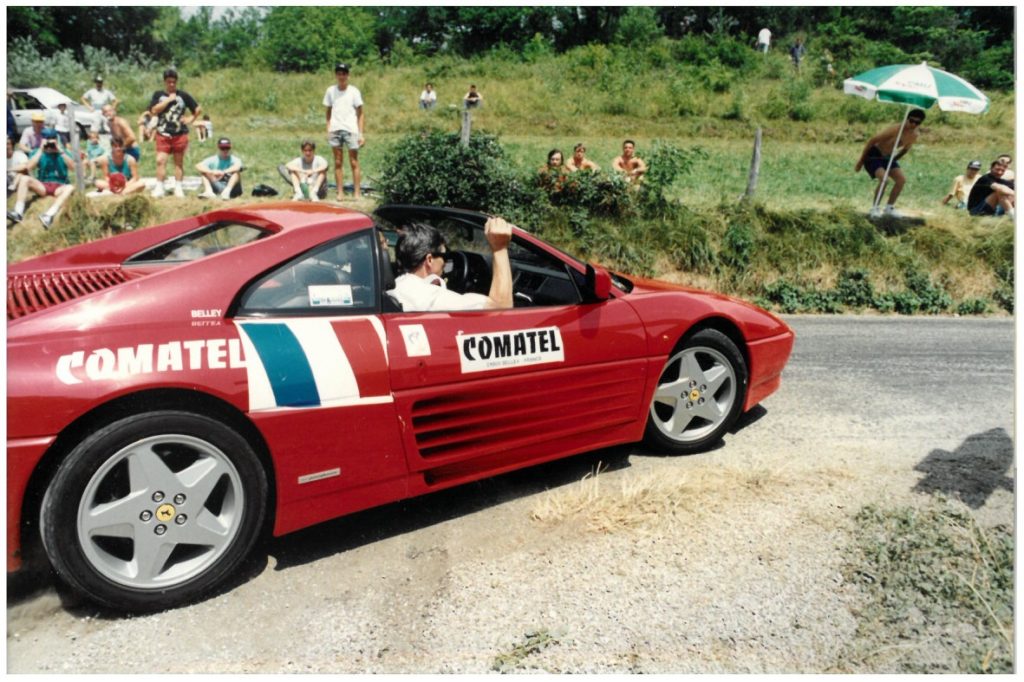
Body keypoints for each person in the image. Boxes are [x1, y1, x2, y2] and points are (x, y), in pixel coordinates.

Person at [388, 217, 514, 311]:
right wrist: (500, 248)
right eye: (445, 256)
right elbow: (501, 307)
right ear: (429, 260)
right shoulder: (430, 296)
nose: (446, 263)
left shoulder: (398, 285)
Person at [854, 108, 926, 217]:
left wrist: (894, 160)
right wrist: (861, 161)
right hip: (874, 155)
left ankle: (889, 207)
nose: (913, 124)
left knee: (901, 180)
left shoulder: (914, 135)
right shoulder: (896, 129)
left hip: (888, 157)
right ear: (907, 119)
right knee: (884, 180)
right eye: (911, 121)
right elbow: (872, 141)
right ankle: (875, 208)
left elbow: (905, 149)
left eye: (917, 123)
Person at [148, 68, 202, 198]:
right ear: (165, 82)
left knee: (178, 162)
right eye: (169, 82)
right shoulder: (158, 95)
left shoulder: (183, 95)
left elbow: (197, 109)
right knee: (160, 160)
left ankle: (178, 187)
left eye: (173, 82)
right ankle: (159, 187)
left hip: (179, 134)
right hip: (163, 133)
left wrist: (190, 119)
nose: (171, 84)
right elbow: (153, 110)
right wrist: (168, 100)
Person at [7, 128, 76, 229]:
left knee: (70, 187)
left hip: (60, 186)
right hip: (43, 186)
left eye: (52, 139)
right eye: (47, 139)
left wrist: (60, 151)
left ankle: (49, 215)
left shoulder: (63, 152)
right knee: (24, 178)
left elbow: (73, 168)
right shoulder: (37, 152)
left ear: (56, 139)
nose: (50, 144)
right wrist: (40, 150)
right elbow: (29, 167)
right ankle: (18, 212)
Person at [323, 62, 365, 201]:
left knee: (354, 162)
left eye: (344, 73)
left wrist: (361, 134)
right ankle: (340, 192)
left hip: (351, 130)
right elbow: (328, 112)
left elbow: (361, 113)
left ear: (348, 75)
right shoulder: (330, 91)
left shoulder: (354, 91)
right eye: (339, 73)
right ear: (336, 75)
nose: (341, 76)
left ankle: (357, 192)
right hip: (335, 130)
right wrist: (328, 129)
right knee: (338, 162)